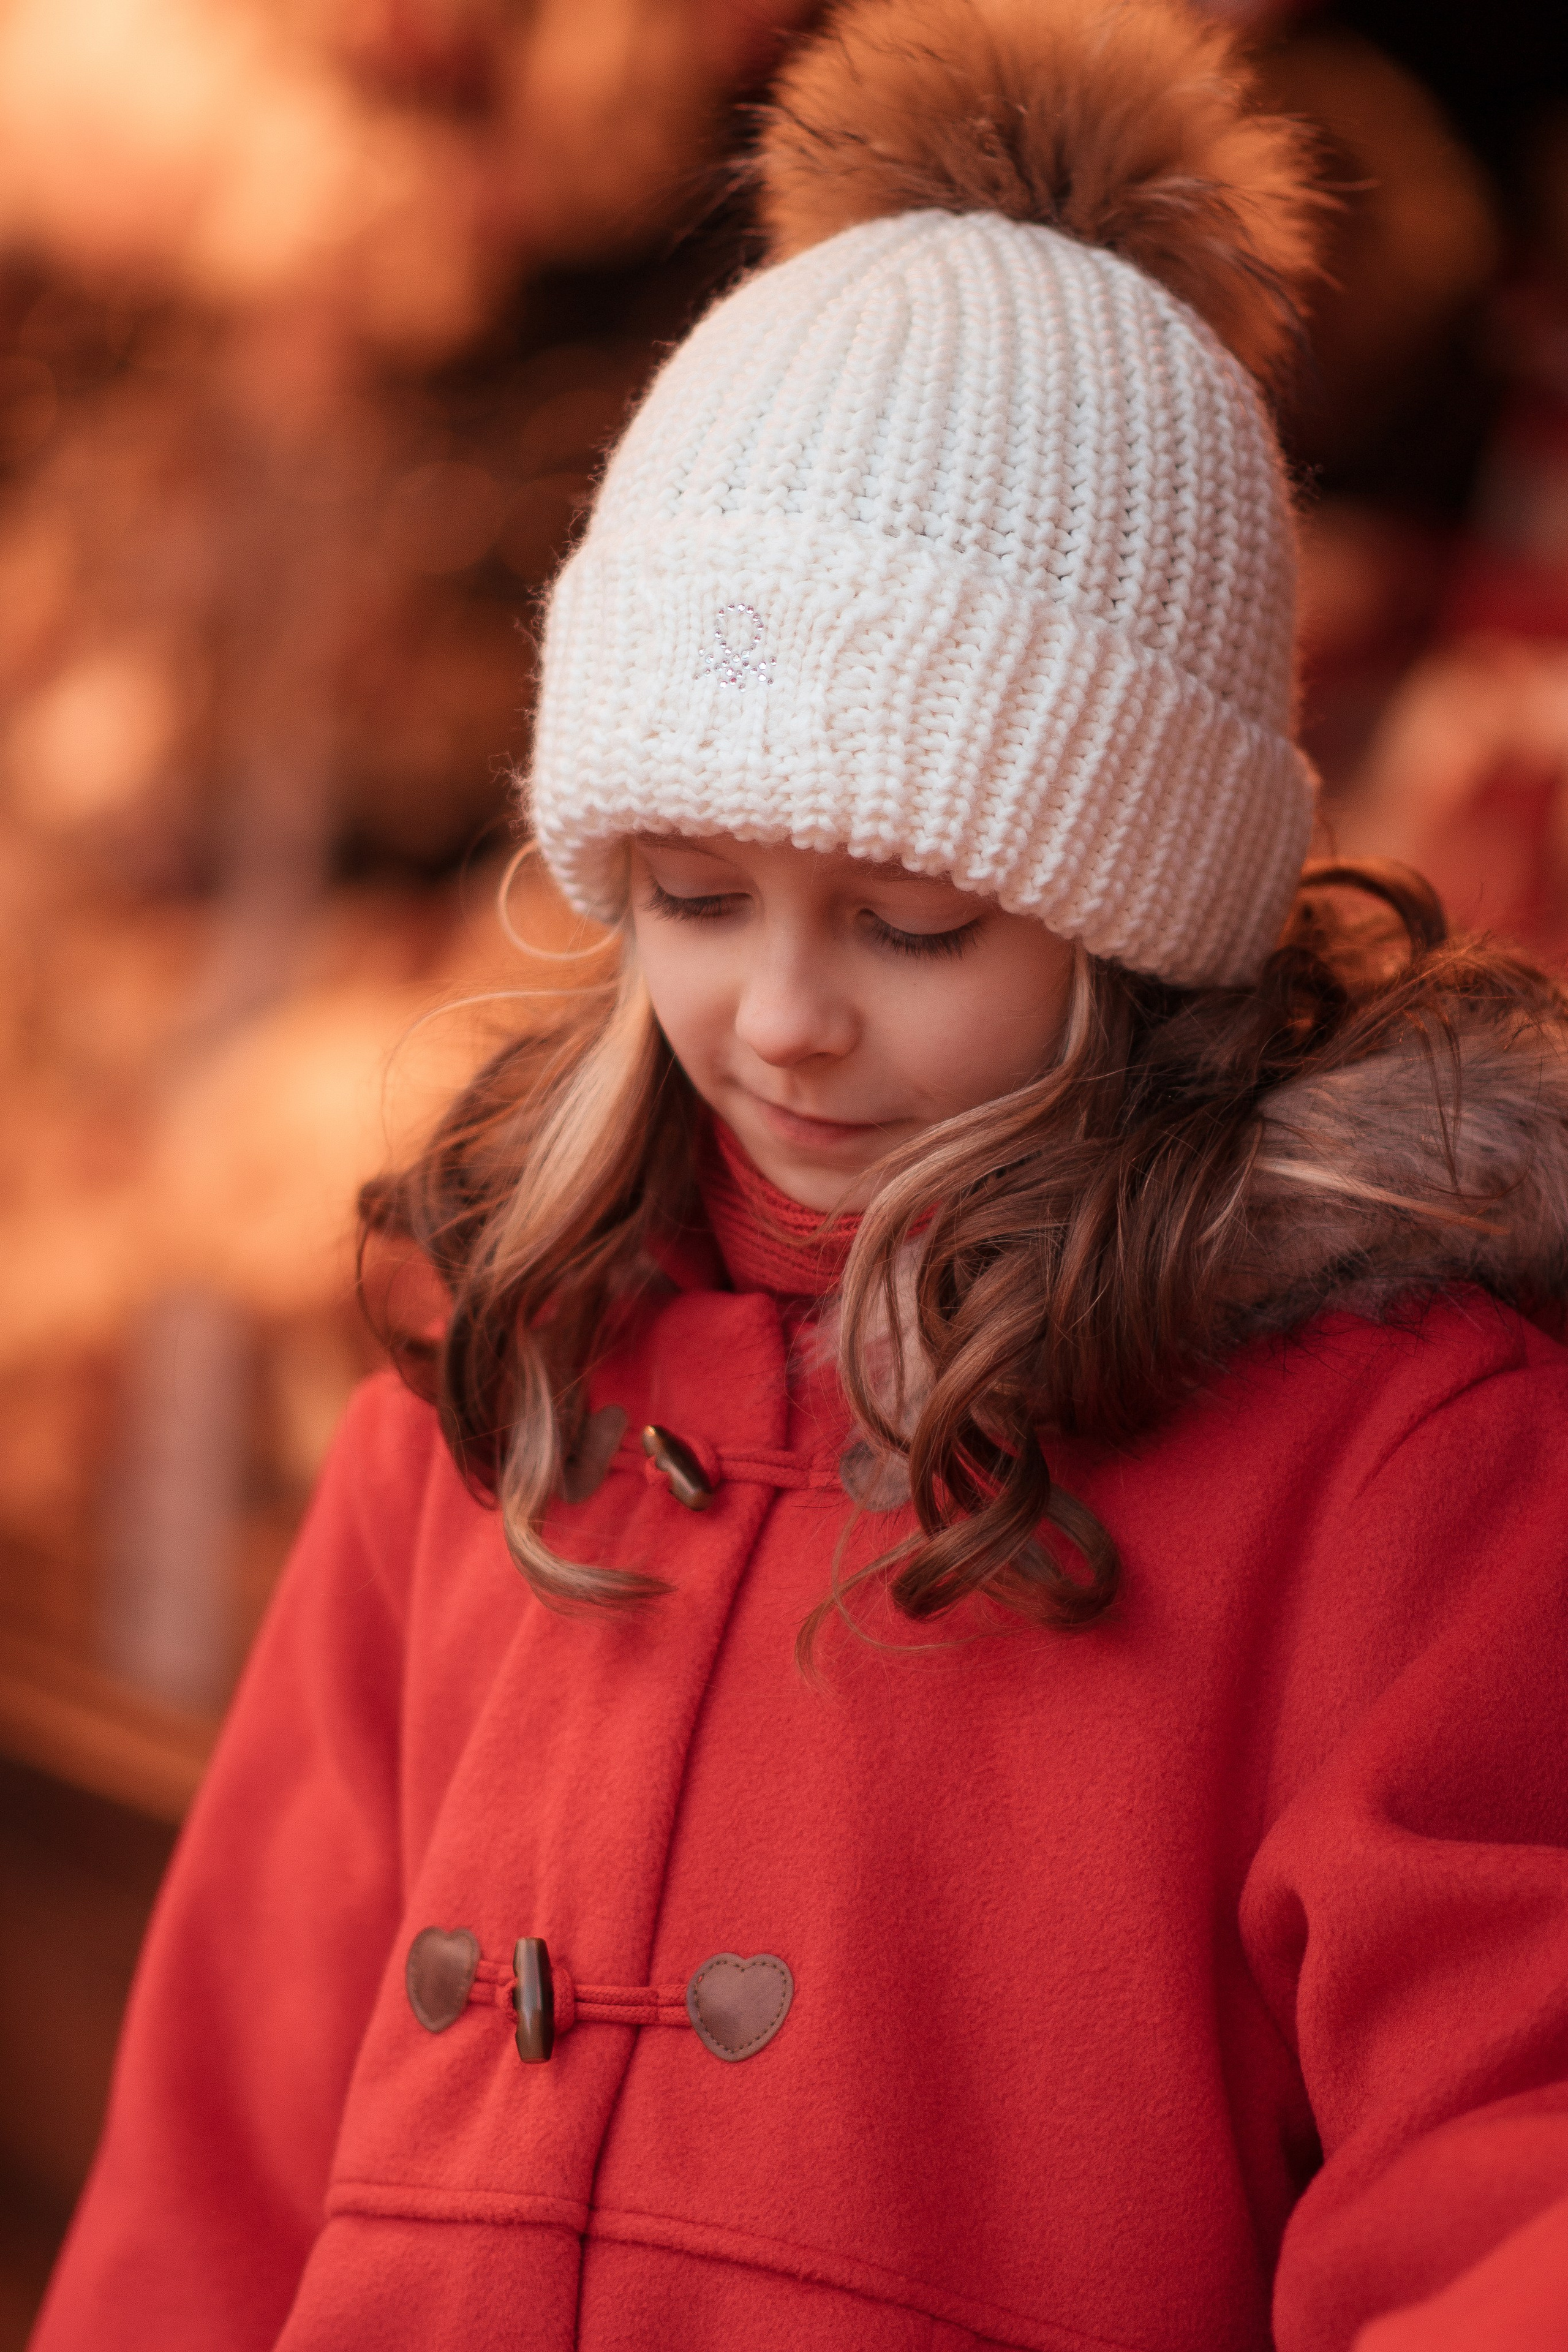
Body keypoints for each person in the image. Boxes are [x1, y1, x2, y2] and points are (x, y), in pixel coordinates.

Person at [32, 1, 1568, 2346]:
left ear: (1140, 911)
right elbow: (219, 2173)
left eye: (920, 923)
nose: (779, 1015)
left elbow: (1506, 2186)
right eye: (690, 893)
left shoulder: (1398, 1471)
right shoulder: (488, 1395)